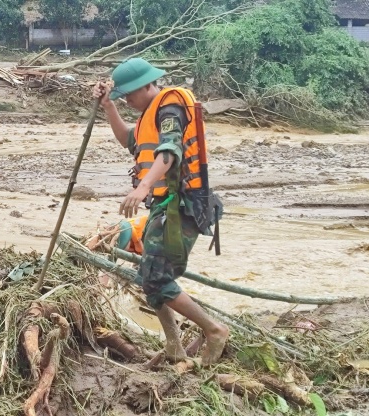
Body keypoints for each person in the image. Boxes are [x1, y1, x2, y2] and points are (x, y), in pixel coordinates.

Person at [92, 58, 229, 366]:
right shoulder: (146, 117)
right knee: (150, 279)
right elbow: (130, 140)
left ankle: (214, 330)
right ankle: (174, 347)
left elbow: (170, 152)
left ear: (147, 85)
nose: (127, 100)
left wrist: (142, 188)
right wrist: (108, 108)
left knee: (156, 278)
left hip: (183, 206)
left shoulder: (170, 109)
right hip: (166, 206)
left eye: (128, 95)